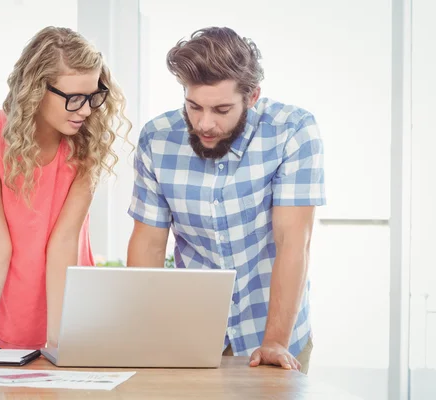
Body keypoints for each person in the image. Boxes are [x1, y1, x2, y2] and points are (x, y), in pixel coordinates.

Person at [126, 27, 325, 374]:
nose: (205, 123)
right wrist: (142, 334)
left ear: (252, 97)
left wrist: (275, 341)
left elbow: (293, 243)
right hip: (191, 335)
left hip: (275, 329)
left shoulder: (292, 131)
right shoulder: (157, 139)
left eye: (221, 109)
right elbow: (149, 243)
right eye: (193, 106)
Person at [0, 26, 130, 351]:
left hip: (70, 314)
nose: (86, 110)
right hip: (8, 317)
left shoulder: (88, 142)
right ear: (36, 89)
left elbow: (63, 241)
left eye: (93, 95)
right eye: (74, 99)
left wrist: (56, 343)